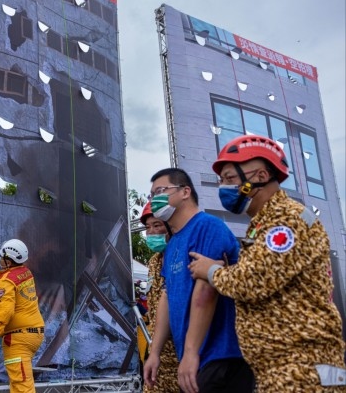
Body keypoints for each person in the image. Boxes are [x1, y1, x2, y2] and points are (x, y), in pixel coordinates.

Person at [188, 134, 346, 391]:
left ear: (260, 176)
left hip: (301, 368)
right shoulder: (262, 224)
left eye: (229, 178)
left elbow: (254, 281)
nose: (223, 188)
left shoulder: (287, 219)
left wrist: (211, 270)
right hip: (282, 367)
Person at [143, 168, 254, 393]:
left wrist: (192, 352)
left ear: (185, 192)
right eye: (152, 195)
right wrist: (154, 352)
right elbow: (167, 295)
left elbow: (207, 290)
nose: (155, 200)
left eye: (161, 191)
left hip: (221, 357)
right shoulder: (173, 243)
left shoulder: (207, 226)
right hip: (194, 359)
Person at [0, 239, 44, 393]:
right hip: (34, 334)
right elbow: (1, 275)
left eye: (2, 257)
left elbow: (4, 312)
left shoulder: (6, 282)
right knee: (18, 382)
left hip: (18, 339)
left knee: (22, 386)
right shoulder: (25, 273)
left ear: (8, 260)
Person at [139, 202, 180, 393]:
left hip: (181, 355)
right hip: (158, 354)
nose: (152, 232)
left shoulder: (181, 257)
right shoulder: (154, 262)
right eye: (148, 227)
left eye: (157, 225)